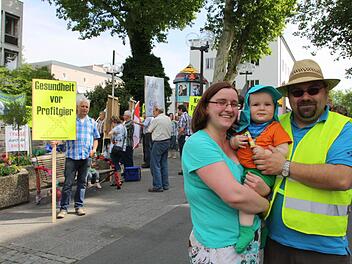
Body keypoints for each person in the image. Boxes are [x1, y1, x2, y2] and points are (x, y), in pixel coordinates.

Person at [252, 59, 352, 264]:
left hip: (324, 250)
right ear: (288, 98)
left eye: (313, 90)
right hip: (275, 241)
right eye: (297, 92)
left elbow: (342, 178)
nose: (305, 97)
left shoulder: (344, 127)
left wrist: (284, 167)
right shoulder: (275, 125)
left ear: (326, 92)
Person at [183, 81, 269, 263]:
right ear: (206, 107)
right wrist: (266, 205)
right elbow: (234, 195)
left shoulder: (233, 140)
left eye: (234, 104)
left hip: (248, 240)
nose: (229, 108)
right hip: (219, 246)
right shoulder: (198, 143)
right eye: (221, 102)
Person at [229, 85, 292, 253]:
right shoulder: (244, 128)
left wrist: (268, 152)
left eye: (268, 104)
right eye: (256, 105)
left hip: (262, 173)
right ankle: (262, 229)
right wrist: (234, 142)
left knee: (246, 200)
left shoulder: (275, 128)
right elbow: (230, 145)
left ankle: (246, 231)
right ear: (248, 108)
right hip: (243, 170)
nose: (262, 108)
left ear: (275, 108)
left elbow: (283, 150)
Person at [57, 97, 100, 219]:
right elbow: (61, 136)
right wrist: (56, 142)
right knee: (68, 184)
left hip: (86, 157)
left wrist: (94, 149)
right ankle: (63, 208)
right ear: (77, 107)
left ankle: (79, 206)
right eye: (82, 106)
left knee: (82, 183)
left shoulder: (92, 122)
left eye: (87, 107)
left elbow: (96, 138)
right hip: (71, 157)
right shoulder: (70, 121)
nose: (85, 109)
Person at [147, 105, 172, 192]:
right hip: (167, 141)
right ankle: (165, 184)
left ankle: (158, 185)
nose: (153, 113)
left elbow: (149, 130)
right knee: (164, 164)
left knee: (155, 164)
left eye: (154, 111)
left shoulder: (156, 119)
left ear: (157, 111)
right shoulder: (168, 118)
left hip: (158, 142)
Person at [108, 116, 127, 189]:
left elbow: (110, 133)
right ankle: (119, 179)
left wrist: (112, 132)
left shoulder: (117, 127)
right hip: (122, 148)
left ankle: (117, 180)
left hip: (115, 148)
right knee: (118, 163)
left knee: (115, 164)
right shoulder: (124, 127)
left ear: (113, 122)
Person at [177, 104, 192, 175]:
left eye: (178, 110)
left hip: (183, 137)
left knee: (182, 154)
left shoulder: (182, 117)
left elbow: (182, 129)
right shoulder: (189, 116)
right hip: (189, 136)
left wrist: (178, 136)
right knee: (188, 154)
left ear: (180, 110)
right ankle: (188, 168)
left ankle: (183, 169)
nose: (177, 112)